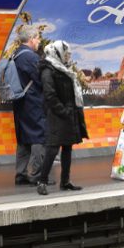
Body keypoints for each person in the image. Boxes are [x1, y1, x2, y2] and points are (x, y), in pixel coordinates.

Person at [36, 41, 89, 195]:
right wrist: (64, 111)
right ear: (57, 53)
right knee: (52, 148)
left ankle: (65, 181)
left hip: (68, 113)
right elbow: (50, 95)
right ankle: (42, 181)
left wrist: (70, 111)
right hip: (57, 114)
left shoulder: (63, 68)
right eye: (66, 54)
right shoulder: (48, 70)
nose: (68, 56)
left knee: (67, 147)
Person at [12, 26, 47, 185]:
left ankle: (21, 174)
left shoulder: (16, 54)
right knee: (40, 137)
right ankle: (35, 174)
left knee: (23, 138)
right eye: (38, 38)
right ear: (31, 39)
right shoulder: (31, 58)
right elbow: (43, 80)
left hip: (19, 102)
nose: (39, 41)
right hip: (33, 103)